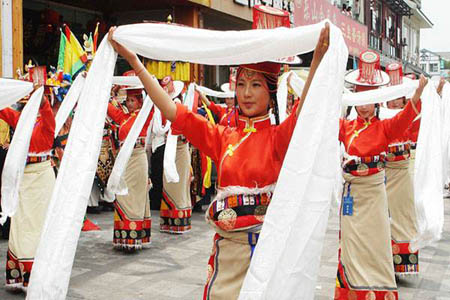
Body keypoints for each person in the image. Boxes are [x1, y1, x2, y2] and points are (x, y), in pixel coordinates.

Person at [108, 22, 330, 300]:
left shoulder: (279, 137)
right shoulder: (222, 136)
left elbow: (305, 109)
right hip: (227, 253)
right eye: (241, 84)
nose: (246, 93)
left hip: (265, 256)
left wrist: (318, 59)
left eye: (256, 85)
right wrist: (133, 61)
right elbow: (170, 108)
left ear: (270, 94)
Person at [336, 50, 426, 300]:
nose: (364, 105)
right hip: (352, 199)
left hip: (375, 197)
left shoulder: (384, 128)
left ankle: (377, 291)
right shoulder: (345, 128)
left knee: (375, 246)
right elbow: (322, 122)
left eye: (369, 99)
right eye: (359, 98)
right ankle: (351, 291)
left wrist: (416, 96)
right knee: (352, 248)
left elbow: (406, 118)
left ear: (377, 101)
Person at [0, 87, 56, 292]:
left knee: (37, 225)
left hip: (41, 179)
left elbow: (48, 114)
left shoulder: (47, 123)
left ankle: (35, 275)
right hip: (24, 178)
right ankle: (20, 274)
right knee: (21, 224)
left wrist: (42, 100)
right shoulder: (24, 123)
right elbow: (5, 111)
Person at [383, 63, 419, 277]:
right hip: (382, 173)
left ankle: (402, 264)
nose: (395, 101)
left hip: (402, 172)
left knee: (403, 216)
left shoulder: (410, 114)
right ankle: (385, 260)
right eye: (392, 96)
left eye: (399, 97)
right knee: (380, 217)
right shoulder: (379, 115)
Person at [107, 85, 153, 251]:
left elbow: (154, 100)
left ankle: (133, 235)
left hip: (137, 158)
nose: (129, 103)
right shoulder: (124, 117)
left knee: (133, 196)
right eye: (128, 100)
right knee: (122, 195)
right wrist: (110, 91)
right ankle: (125, 235)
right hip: (125, 160)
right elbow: (108, 108)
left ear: (141, 101)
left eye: (132, 100)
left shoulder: (145, 115)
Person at [158, 76, 193, 234]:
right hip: (170, 149)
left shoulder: (180, 106)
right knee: (169, 184)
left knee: (179, 185)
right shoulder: (166, 107)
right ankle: (169, 220)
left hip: (180, 148)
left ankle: (179, 220)